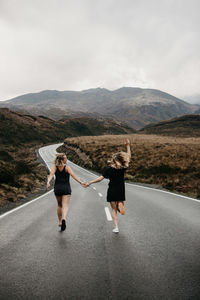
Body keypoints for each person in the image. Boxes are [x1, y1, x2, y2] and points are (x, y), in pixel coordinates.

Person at [85, 139, 131, 233]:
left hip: (112, 190)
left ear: (113, 160)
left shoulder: (108, 169)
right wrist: (128, 145)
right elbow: (129, 157)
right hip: (121, 190)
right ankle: (120, 204)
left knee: (113, 210)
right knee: (119, 202)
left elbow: (100, 178)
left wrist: (90, 182)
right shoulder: (123, 168)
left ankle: (116, 227)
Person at [47, 153, 85, 231]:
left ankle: (60, 222)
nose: (66, 159)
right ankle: (64, 219)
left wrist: (48, 182)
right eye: (66, 158)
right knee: (65, 205)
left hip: (57, 188)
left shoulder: (55, 167)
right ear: (63, 160)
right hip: (66, 188)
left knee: (59, 205)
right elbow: (74, 176)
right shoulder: (67, 167)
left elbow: (51, 175)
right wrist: (81, 182)